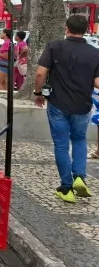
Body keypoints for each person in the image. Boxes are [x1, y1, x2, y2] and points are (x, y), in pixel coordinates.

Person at [34, 15, 99, 203]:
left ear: (66, 28)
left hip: (58, 103)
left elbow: (40, 72)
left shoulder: (55, 46)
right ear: (86, 30)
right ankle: (80, 176)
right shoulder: (95, 53)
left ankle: (66, 187)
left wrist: (38, 92)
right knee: (79, 139)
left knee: (61, 144)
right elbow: (96, 82)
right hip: (83, 105)